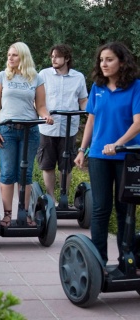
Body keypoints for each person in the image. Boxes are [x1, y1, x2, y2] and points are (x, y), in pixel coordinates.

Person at [74, 41, 140, 266]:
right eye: (101, 60)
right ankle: (98, 262)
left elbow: (138, 123)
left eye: (109, 59)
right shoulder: (97, 87)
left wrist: (118, 144)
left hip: (127, 156)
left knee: (125, 210)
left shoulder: (136, 87)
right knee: (101, 208)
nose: (104, 64)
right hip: (99, 157)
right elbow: (91, 121)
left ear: (122, 62)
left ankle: (126, 260)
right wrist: (83, 149)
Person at [0, 42, 54, 227]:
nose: (10, 58)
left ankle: (24, 214)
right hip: (7, 131)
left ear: (23, 57)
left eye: (14, 55)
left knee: (25, 174)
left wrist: (46, 116)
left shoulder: (35, 79)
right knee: (8, 172)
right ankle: (7, 214)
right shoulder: (2, 77)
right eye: (9, 55)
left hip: (30, 131)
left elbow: (41, 106)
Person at [37, 44, 89, 200]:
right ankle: (51, 198)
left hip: (69, 127)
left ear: (66, 58)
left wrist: (89, 113)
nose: (54, 59)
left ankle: (64, 198)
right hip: (48, 127)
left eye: (57, 56)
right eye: (52, 56)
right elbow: (37, 101)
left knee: (66, 165)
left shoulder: (78, 77)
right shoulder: (44, 75)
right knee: (47, 164)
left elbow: (83, 100)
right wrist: (45, 114)